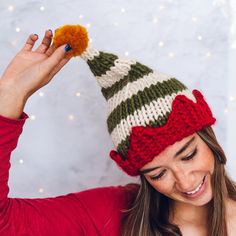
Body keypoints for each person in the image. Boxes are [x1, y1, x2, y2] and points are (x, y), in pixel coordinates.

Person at [0, 26, 236, 236]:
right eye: (157, 174)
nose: (185, 182)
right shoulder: (111, 215)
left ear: (207, 138)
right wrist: (9, 95)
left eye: (188, 155)